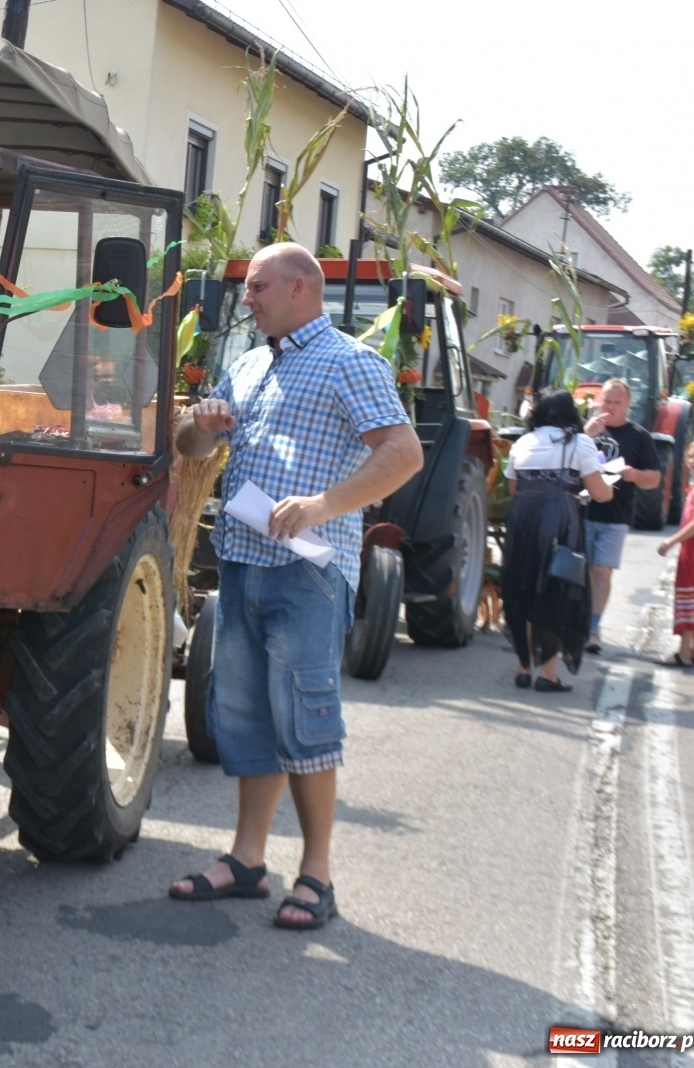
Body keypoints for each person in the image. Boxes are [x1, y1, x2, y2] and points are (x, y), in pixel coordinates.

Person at [167, 243, 422, 930]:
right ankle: (248, 860)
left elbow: (404, 453)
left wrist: (323, 504)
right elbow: (191, 448)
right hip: (243, 563)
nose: (248, 299)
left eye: (258, 287)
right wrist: (201, 427)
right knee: (249, 717)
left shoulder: (349, 361)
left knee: (306, 721)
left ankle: (316, 875)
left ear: (300, 288)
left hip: (309, 572)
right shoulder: (251, 363)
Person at [503, 388, 613, 690]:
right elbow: (599, 491)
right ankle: (548, 673)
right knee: (556, 589)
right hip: (559, 518)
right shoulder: (579, 442)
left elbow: (513, 488)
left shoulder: (523, 442)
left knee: (523, 587)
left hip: (523, 518)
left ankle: (523, 667)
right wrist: (608, 491)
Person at [581, 378, 661, 652]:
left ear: (628, 404)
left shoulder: (639, 436)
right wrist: (586, 434)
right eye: (607, 401)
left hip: (616, 516)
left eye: (617, 402)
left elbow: (655, 478)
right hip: (583, 510)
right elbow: (565, 459)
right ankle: (579, 623)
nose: (611, 407)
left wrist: (634, 474)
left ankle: (593, 629)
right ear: (599, 401)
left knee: (602, 571)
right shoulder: (587, 430)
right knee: (583, 571)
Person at [656, 437, 694, 666]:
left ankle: (683, 653)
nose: (692, 461)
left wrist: (670, 541)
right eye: (690, 456)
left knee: (689, 597)